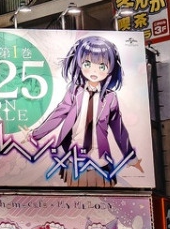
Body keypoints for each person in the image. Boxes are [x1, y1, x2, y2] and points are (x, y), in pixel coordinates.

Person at [24, 35, 140, 183]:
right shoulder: (75, 91)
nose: (94, 70)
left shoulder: (110, 98)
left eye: (102, 66)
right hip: (72, 153)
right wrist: (35, 134)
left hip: (99, 157)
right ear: (79, 63)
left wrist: (130, 157)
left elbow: (119, 130)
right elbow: (59, 114)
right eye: (87, 63)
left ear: (110, 69)